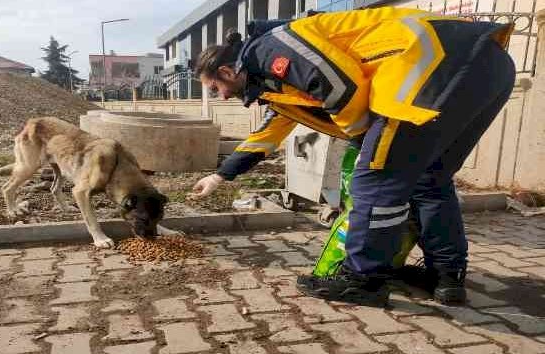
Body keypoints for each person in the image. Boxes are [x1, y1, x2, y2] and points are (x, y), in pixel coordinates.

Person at [189, 6, 516, 307]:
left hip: (432, 66)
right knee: (430, 178)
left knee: (376, 177)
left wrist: (364, 144)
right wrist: (219, 176)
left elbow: (339, 85)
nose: (222, 95)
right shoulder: (274, 82)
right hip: (486, 64)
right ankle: (446, 276)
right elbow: (268, 134)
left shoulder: (270, 48)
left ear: (228, 71)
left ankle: (363, 280)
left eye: (215, 87)